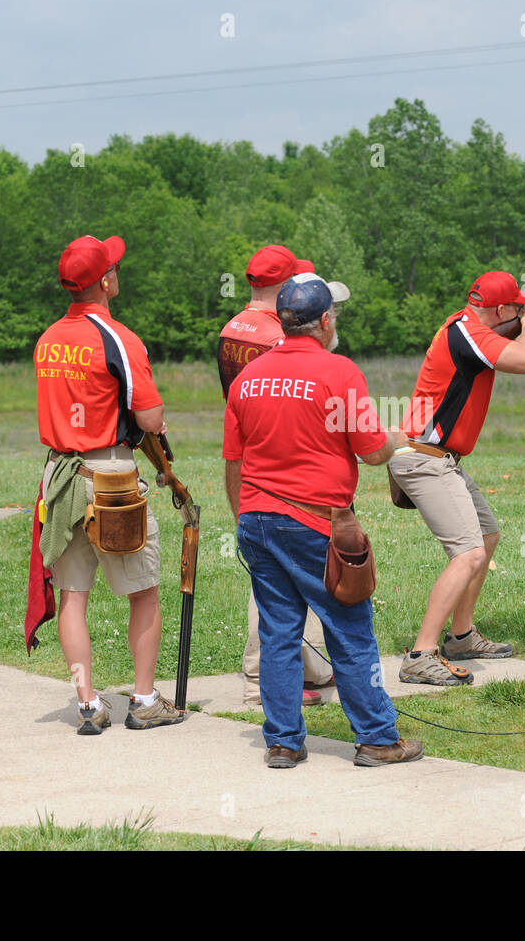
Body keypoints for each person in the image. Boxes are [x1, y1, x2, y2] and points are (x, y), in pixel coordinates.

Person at [223, 273, 422, 768]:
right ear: (325, 321)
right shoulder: (339, 372)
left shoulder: (248, 377)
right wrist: (397, 437)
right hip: (315, 524)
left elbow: (234, 462)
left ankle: (284, 742)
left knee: (278, 634)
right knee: (350, 631)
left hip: (256, 519)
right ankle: (377, 738)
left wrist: (245, 518)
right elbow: (373, 452)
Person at [389, 271, 525, 686]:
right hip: (424, 458)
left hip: (442, 458)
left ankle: (462, 636)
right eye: (517, 306)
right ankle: (421, 654)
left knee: (486, 537)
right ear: (502, 310)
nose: (524, 311)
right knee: (467, 553)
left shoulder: (473, 330)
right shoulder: (467, 335)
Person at [35, 234, 181, 735]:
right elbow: (150, 414)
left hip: (61, 477)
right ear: (104, 281)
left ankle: (88, 704)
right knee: (142, 591)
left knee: (73, 596)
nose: (118, 271)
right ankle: (143, 701)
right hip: (112, 475)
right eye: (113, 267)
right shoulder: (118, 337)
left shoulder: (49, 337)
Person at [217, 244, 338, 708]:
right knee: (288, 582)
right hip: (283, 470)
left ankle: (294, 673)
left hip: (248, 459)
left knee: (272, 578)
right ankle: (266, 680)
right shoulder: (275, 337)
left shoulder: (234, 327)